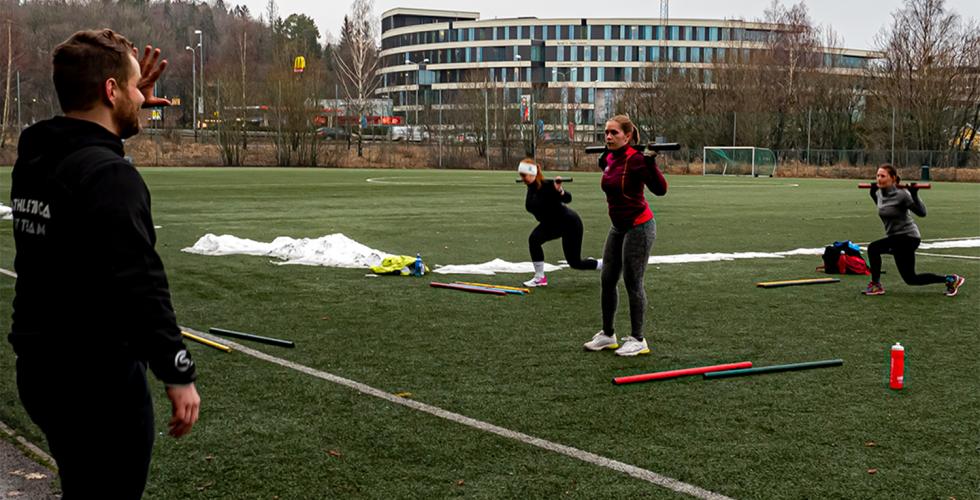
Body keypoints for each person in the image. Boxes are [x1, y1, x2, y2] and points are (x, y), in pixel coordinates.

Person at [8, 29, 200, 498]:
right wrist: (177, 371)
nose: (143, 95)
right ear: (110, 91)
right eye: (135, 87)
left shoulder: (37, 158)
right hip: (96, 382)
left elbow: (93, 156)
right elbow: (141, 284)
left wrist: (132, 109)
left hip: (41, 369)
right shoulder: (111, 176)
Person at [583, 115, 667, 356]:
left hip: (639, 226)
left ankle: (638, 339)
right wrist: (604, 159)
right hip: (618, 226)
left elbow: (661, 190)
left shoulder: (638, 160)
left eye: (614, 133)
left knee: (633, 282)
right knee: (607, 280)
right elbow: (609, 170)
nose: (608, 137)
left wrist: (651, 164)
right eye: (606, 133)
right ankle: (608, 335)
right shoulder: (610, 157)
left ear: (628, 136)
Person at [862, 164, 965, 297]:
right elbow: (885, 208)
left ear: (893, 178)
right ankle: (950, 280)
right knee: (911, 279)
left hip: (908, 237)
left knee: (873, 248)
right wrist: (872, 194)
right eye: (877, 176)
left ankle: (876, 285)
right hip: (895, 238)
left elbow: (922, 213)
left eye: (883, 176)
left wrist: (915, 195)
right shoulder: (879, 193)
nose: (879, 179)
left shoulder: (902, 194)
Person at [518, 159, 600, 287]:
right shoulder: (531, 188)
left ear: (533, 174)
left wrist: (559, 190)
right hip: (551, 224)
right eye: (521, 175)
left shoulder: (548, 186)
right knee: (534, 240)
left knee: (575, 263)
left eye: (524, 175)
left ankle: (605, 265)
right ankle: (540, 277)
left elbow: (568, 198)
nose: (522, 178)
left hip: (569, 223)